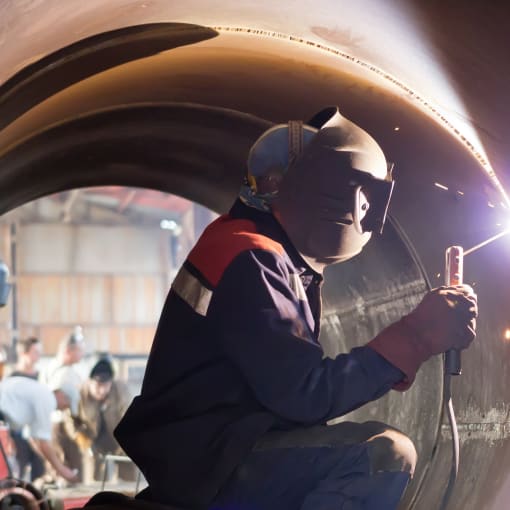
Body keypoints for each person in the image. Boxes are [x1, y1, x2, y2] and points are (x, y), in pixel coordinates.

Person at [114, 107, 478, 510]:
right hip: (214, 464)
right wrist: (417, 335)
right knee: (384, 455)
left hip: (208, 454)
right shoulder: (252, 256)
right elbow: (304, 395)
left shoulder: (247, 244)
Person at [0, 374, 80, 482]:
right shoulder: (47, 399)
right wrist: (62, 470)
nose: (65, 408)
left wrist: (49, 463)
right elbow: (43, 442)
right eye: (67, 404)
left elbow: (33, 439)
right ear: (61, 395)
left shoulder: (40, 394)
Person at [71, 354, 135, 483]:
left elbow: (130, 417)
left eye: (105, 386)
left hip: (119, 439)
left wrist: (128, 441)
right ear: (89, 381)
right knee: (94, 481)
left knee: (128, 480)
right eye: (97, 386)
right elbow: (71, 420)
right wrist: (82, 440)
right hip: (93, 441)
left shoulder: (121, 391)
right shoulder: (79, 394)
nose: (101, 390)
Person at [39, 326, 85, 480]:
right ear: (69, 350)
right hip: (62, 426)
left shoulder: (53, 367)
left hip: (63, 425)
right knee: (69, 469)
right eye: (79, 350)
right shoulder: (61, 373)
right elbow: (60, 402)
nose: (82, 354)